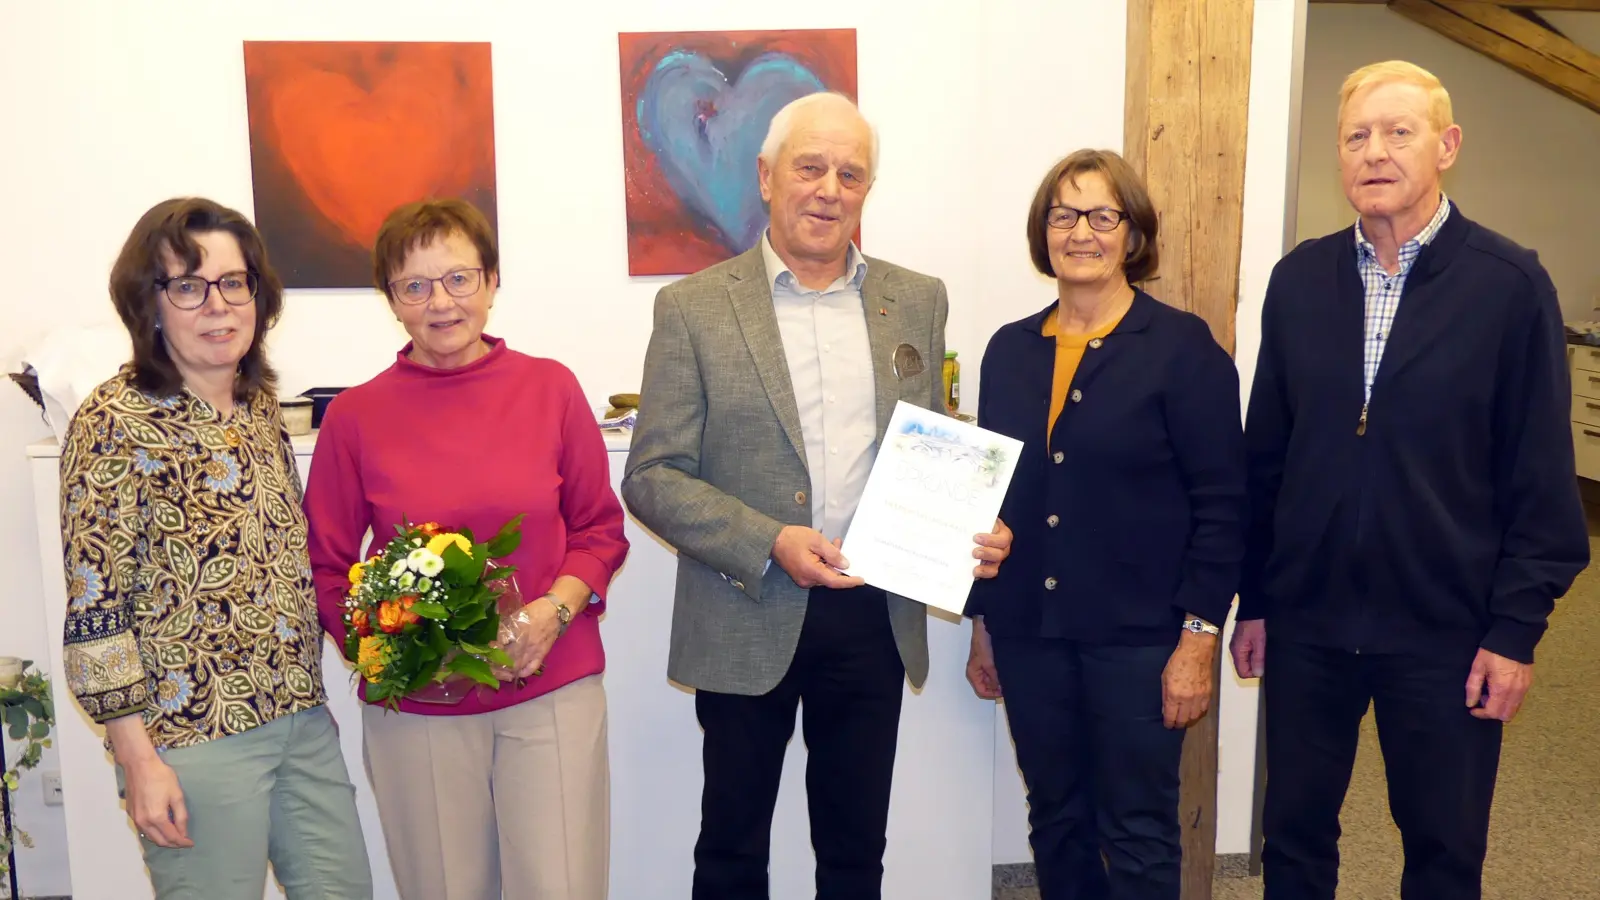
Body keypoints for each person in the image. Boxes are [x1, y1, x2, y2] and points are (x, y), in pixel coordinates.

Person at [619, 91, 1013, 900]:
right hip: (744, 605)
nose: (829, 188)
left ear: (867, 189)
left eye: (851, 173)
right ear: (766, 177)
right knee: (731, 849)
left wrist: (973, 522)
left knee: (854, 849)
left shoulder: (918, 298)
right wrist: (770, 540)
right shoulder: (692, 307)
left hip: (872, 611)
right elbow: (652, 475)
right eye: (810, 167)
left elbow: (931, 440)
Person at [1233, 60, 1589, 900]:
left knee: (1442, 852)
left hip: (1447, 631)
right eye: (1357, 135)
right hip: (1309, 624)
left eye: (1400, 131)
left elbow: (1541, 472)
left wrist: (1514, 630)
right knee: (1293, 841)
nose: (1375, 151)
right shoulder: (1300, 281)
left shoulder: (1509, 287)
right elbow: (1265, 458)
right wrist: (1257, 596)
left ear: (1447, 145)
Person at [302, 198, 629, 900]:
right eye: (414, 285)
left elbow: (600, 528)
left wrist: (553, 613)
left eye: (458, 278)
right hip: (419, 706)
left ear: (491, 281)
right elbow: (325, 565)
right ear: (391, 300)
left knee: (563, 887)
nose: (440, 302)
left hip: (549, 687)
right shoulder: (356, 417)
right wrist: (387, 650)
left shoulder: (551, 389)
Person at [59, 197, 373, 899]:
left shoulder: (260, 408)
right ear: (150, 303)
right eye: (189, 286)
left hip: (299, 720)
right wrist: (137, 760)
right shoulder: (115, 421)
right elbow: (95, 606)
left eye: (235, 283)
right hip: (190, 737)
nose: (217, 305)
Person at [962, 150, 1247, 899]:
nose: (1080, 232)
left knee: (1138, 828)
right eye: (1063, 214)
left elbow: (1223, 506)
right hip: (1029, 631)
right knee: (1055, 817)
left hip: (1138, 639)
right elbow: (997, 502)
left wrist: (1198, 639)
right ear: (1042, 232)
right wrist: (983, 626)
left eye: (1101, 215)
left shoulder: (1183, 350)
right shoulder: (1010, 350)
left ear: (1132, 233)